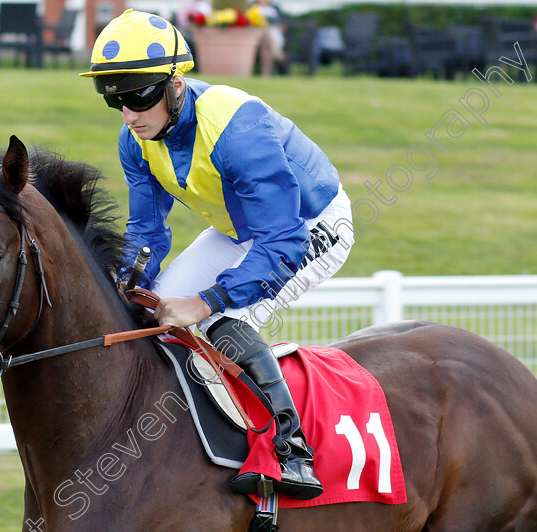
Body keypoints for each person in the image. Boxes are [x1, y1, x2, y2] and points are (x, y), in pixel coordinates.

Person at [81, 10, 354, 500]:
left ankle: (291, 451)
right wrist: (126, 281)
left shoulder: (237, 129)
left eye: (138, 96)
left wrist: (208, 301)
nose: (129, 114)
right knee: (153, 310)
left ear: (176, 82)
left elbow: (283, 241)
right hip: (242, 228)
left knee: (220, 321)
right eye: (114, 100)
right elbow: (146, 228)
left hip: (309, 224)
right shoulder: (134, 139)